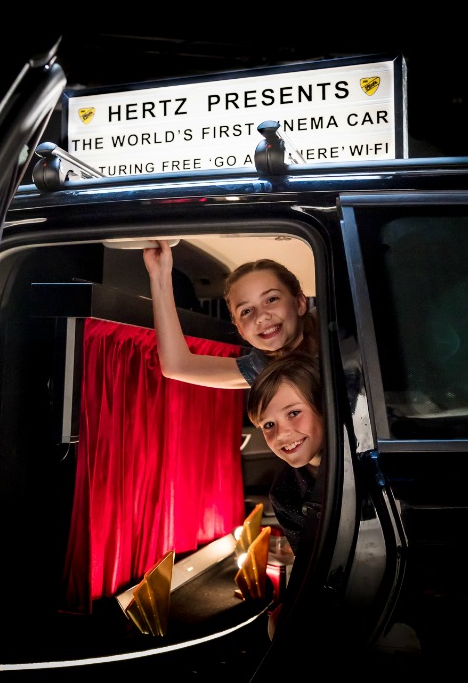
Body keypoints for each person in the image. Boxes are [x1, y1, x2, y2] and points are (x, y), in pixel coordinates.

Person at [142, 239, 317, 388]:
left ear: (300, 303)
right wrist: (159, 274)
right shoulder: (263, 367)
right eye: (246, 311)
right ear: (240, 330)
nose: (261, 316)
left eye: (271, 299)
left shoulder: (338, 322)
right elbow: (177, 366)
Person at [245, 352, 325, 639]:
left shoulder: (356, 463)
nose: (282, 434)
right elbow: (309, 568)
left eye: (293, 413)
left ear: (324, 406)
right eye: (268, 425)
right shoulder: (284, 492)